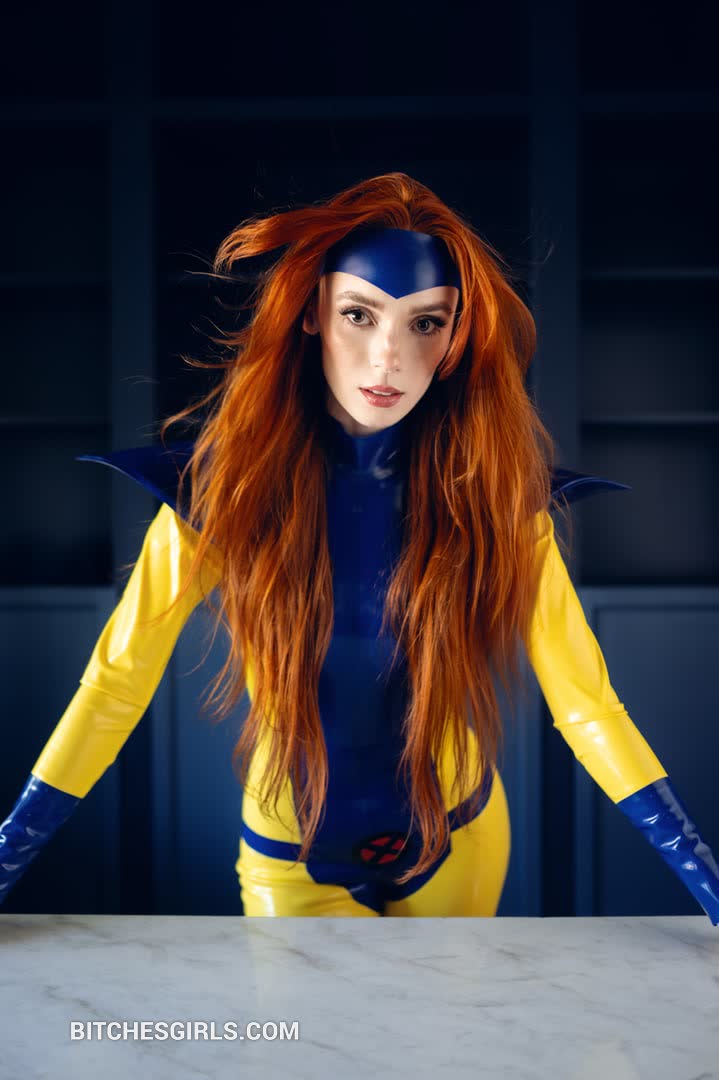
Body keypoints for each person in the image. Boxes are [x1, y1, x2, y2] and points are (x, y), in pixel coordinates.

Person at [1, 172, 718, 920]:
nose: (388, 359)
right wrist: (8, 853)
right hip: (290, 848)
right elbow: (115, 685)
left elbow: (586, 703)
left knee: (461, 1007)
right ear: (312, 313)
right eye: (359, 314)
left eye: (425, 323)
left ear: (456, 337)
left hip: (459, 835)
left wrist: (703, 875)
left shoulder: (497, 500)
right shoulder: (220, 494)